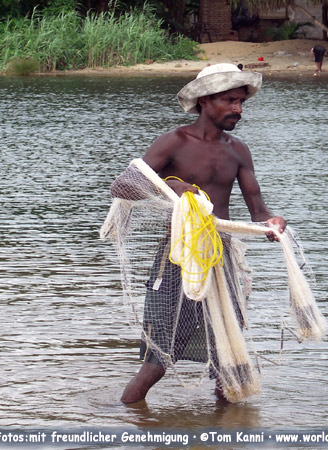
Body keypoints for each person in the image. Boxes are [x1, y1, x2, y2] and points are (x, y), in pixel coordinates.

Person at [112, 63, 287, 404]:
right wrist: (172, 186)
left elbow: (258, 211)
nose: (238, 108)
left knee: (227, 358)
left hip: (221, 258)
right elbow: (123, 185)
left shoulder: (238, 151)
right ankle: (125, 419)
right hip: (178, 256)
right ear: (205, 101)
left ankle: (224, 434)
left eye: (241, 102)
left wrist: (274, 224)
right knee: (157, 361)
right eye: (230, 100)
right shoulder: (175, 142)